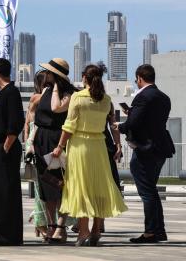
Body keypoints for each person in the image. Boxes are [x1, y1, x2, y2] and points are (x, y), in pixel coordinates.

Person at [53, 64, 128, 246]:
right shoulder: (106, 100)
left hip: (80, 146)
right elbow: (112, 125)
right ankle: (96, 229)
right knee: (99, 187)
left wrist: (59, 146)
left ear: (84, 77)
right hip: (99, 146)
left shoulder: (78, 98)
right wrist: (117, 145)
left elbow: (69, 126)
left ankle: (83, 230)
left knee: (81, 187)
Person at [115, 64, 174, 243]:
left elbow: (134, 124)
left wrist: (120, 126)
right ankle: (159, 230)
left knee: (147, 192)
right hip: (160, 148)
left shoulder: (142, 97)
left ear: (140, 78)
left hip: (144, 149)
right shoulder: (164, 97)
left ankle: (150, 231)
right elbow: (151, 121)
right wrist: (133, 113)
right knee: (152, 190)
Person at [32, 58, 76, 243]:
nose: (46, 75)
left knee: (60, 185)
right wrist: (32, 141)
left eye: (49, 72)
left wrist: (57, 87)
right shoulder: (46, 90)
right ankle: (50, 224)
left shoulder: (69, 93)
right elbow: (37, 117)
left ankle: (61, 225)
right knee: (46, 186)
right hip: (41, 138)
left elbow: (56, 108)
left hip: (58, 139)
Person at [0, 58, 24, 247]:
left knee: (4, 191)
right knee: (0, 190)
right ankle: (6, 234)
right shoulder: (4, 93)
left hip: (5, 147)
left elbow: (15, 123)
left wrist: (6, 147)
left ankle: (5, 234)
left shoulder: (11, 93)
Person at [23, 71, 48, 239]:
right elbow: (30, 123)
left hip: (34, 141)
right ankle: (41, 221)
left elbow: (26, 125)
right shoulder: (38, 99)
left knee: (44, 186)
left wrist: (26, 144)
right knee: (41, 187)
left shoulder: (35, 99)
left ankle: (41, 222)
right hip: (39, 142)